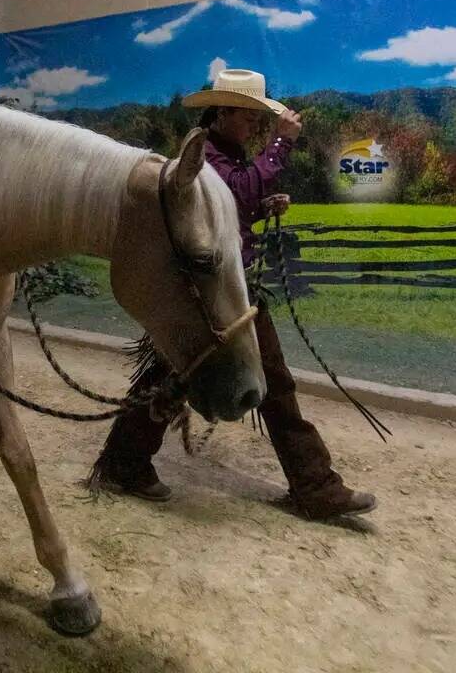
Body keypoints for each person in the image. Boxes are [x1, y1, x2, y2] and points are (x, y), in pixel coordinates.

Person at [90, 69, 376, 521]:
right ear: (222, 113)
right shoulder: (203, 155)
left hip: (226, 290)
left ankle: (312, 483)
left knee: (253, 381)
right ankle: (313, 486)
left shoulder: (229, 152)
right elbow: (235, 190)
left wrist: (260, 208)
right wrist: (281, 145)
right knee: (220, 380)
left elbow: (232, 208)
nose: (256, 130)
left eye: (260, 124)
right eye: (249, 120)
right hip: (205, 298)